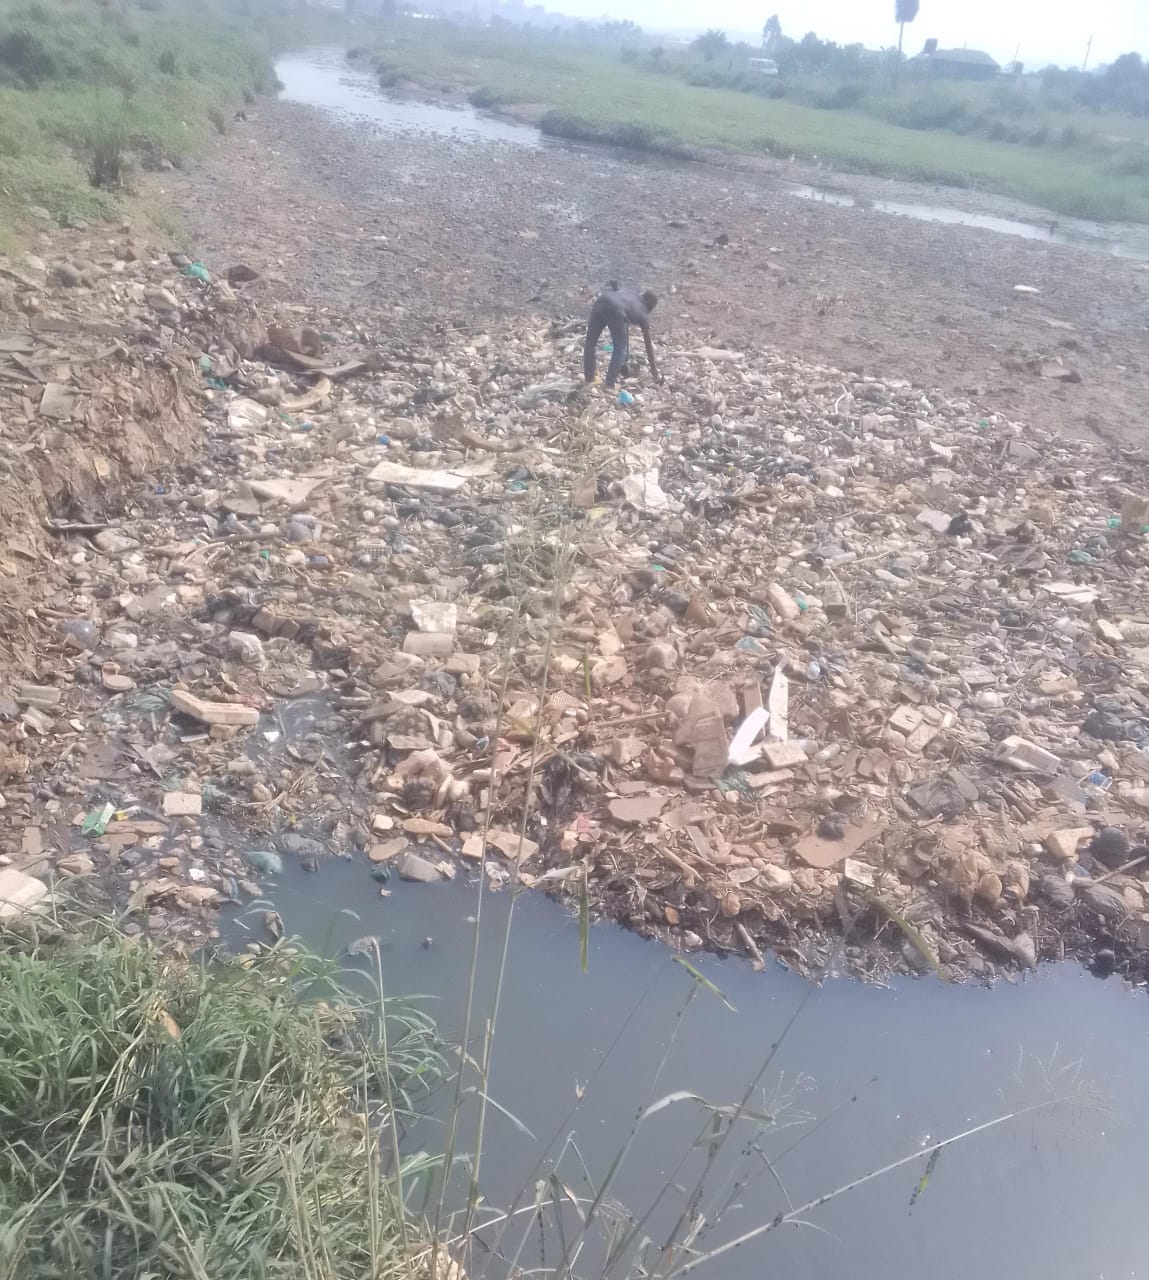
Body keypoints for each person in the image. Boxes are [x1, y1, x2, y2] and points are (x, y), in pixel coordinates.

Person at [582, 284, 661, 388]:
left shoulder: (632, 294)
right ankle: (609, 385)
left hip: (602, 300)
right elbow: (648, 344)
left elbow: (617, 292)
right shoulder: (643, 312)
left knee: (590, 342)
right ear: (651, 305)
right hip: (616, 310)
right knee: (620, 348)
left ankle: (589, 378)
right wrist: (654, 369)